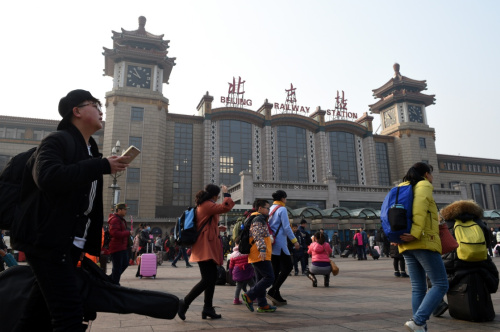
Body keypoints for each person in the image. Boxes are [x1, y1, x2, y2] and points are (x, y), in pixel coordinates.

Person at [10, 89, 130, 331]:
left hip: (67, 243)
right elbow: (48, 176)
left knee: (37, 313)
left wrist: (100, 163)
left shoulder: (90, 149)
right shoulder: (57, 140)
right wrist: (101, 165)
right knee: (69, 316)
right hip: (49, 242)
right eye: (94, 104)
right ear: (76, 111)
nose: (100, 109)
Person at [398, 162, 448, 332]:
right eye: (432, 174)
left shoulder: (402, 187)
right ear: (426, 174)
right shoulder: (423, 185)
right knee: (441, 284)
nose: (432, 178)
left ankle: (420, 328)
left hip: (406, 244)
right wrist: (417, 232)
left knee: (418, 287)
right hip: (422, 240)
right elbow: (419, 209)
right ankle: (418, 321)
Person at [177, 184, 235, 320]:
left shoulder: (204, 204)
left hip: (206, 244)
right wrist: (227, 194)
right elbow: (225, 207)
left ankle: (207, 308)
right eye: (219, 195)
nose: (219, 197)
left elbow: (204, 222)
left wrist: (216, 227)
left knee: (211, 278)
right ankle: (184, 303)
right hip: (205, 246)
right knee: (208, 279)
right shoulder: (207, 204)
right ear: (215, 195)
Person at [241, 199, 277, 313]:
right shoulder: (258, 218)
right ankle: (249, 295)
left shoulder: (256, 218)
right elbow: (257, 235)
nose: (269, 210)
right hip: (260, 254)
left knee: (260, 279)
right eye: (267, 208)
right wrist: (262, 248)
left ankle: (262, 304)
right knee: (269, 277)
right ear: (260, 208)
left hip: (256, 254)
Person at [267, 190, 300, 306]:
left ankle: (276, 293)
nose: (286, 200)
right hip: (280, 243)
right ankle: (272, 290)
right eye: (285, 198)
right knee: (288, 267)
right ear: (282, 198)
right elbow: (286, 227)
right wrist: (295, 241)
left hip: (272, 243)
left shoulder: (270, 209)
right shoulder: (282, 209)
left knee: (276, 270)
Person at [108, 202, 132, 285]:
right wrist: (128, 233)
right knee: (117, 268)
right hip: (116, 247)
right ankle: (114, 283)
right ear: (119, 210)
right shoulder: (115, 220)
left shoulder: (121, 220)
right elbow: (115, 234)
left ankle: (111, 279)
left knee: (125, 264)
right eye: (124, 209)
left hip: (122, 247)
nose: (126, 211)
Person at [228, 236, 255, 305]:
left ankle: (236, 299)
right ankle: (254, 297)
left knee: (238, 286)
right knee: (252, 284)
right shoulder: (246, 252)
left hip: (238, 272)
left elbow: (231, 266)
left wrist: (231, 273)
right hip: (247, 271)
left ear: (235, 244)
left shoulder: (233, 255)